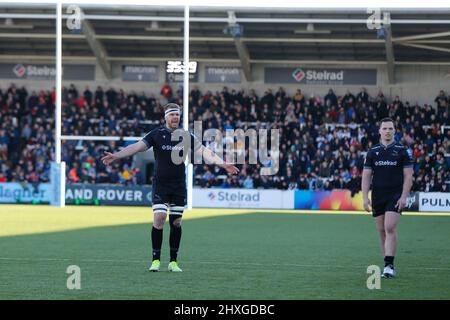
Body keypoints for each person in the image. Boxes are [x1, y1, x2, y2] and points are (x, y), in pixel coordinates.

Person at [101, 103, 238, 272]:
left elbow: (204, 152)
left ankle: (173, 262)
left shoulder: (186, 136)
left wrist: (224, 165)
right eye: (172, 115)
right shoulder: (156, 134)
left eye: (177, 115)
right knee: (159, 218)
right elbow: (136, 147)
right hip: (161, 184)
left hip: (178, 185)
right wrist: (116, 155)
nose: (175, 117)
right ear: (165, 117)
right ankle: (155, 260)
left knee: (176, 222)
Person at [362, 117, 414, 278]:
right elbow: (366, 176)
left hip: (395, 195)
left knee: (390, 227)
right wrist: (365, 197)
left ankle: (389, 266)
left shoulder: (402, 151)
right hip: (378, 195)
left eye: (390, 128)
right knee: (381, 231)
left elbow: (409, 176)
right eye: (385, 128)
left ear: (394, 130)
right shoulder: (372, 152)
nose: (387, 131)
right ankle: (387, 264)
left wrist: (404, 196)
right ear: (380, 131)